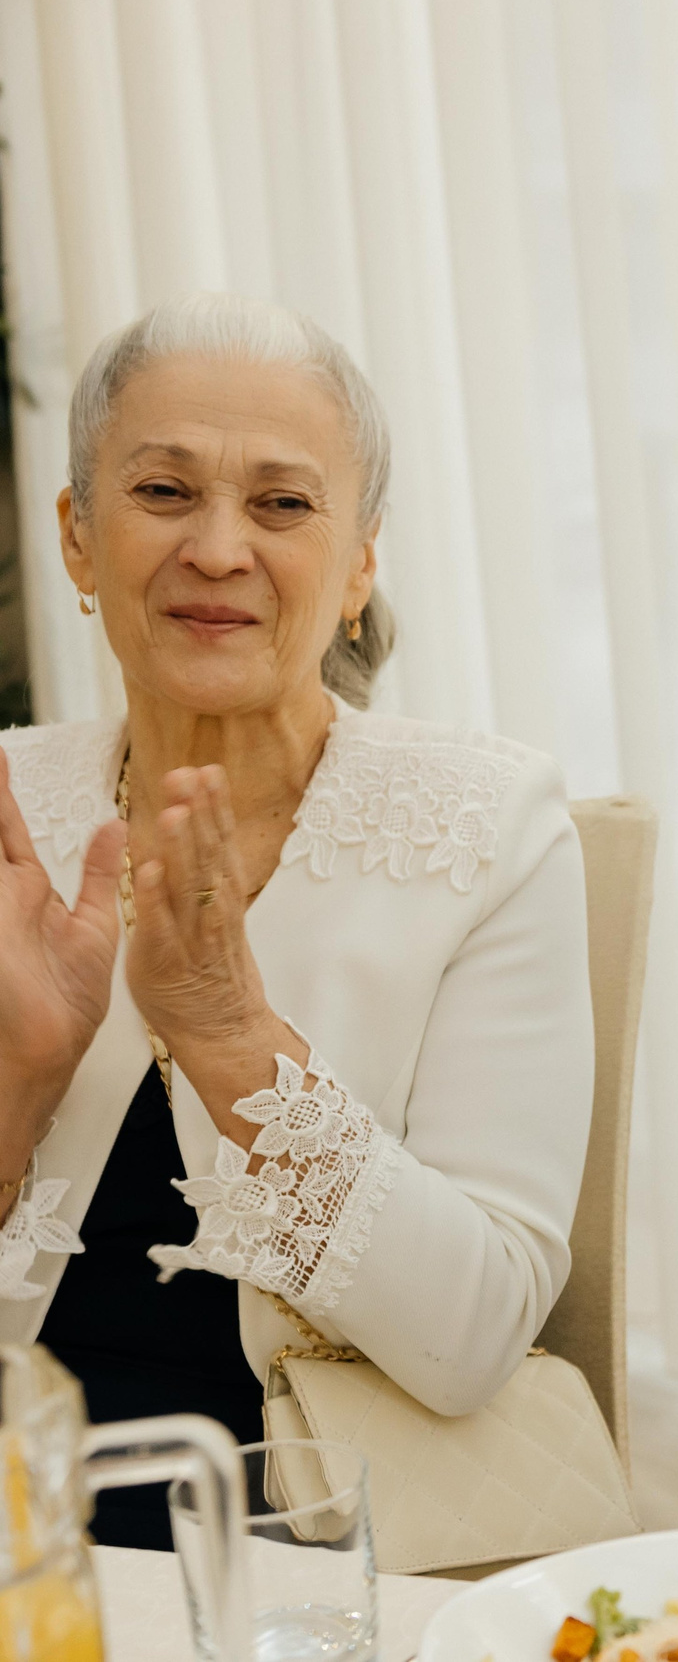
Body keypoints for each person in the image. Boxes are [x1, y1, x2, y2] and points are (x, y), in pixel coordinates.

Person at [0, 294, 593, 1548]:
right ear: (76, 538)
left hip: (316, 1543)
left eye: (282, 504)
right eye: (164, 492)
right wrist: (20, 1091)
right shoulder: (11, 811)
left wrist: (228, 1040)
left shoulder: (491, 824)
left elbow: (479, 1331)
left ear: (360, 560)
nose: (219, 549)